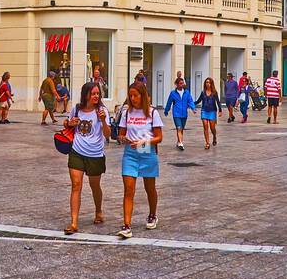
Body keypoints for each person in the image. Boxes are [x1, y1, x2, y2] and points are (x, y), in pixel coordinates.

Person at [116, 82, 164, 238]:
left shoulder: (152, 112)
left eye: (135, 95)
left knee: (149, 188)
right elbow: (121, 134)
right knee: (128, 190)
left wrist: (144, 142)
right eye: (130, 95)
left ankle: (152, 214)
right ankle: (127, 225)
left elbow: (159, 137)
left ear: (143, 95)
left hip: (147, 151)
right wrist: (123, 138)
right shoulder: (127, 113)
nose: (133, 98)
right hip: (130, 153)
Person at [64, 81, 108, 235]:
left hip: (95, 154)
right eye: (93, 93)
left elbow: (108, 135)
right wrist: (70, 123)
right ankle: (74, 222)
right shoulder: (76, 109)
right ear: (86, 95)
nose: (96, 96)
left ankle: (98, 211)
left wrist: (103, 120)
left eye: (98, 94)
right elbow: (67, 124)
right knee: (76, 185)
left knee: (94, 186)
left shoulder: (102, 111)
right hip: (76, 151)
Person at [162, 77, 194, 151]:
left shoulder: (187, 92)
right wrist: (166, 110)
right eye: (180, 83)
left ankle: (178, 141)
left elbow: (190, 101)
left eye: (182, 83)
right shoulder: (173, 93)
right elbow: (169, 102)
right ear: (176, 84)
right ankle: (181, 143)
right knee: (179, 128)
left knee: (181, 129)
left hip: (184, 114)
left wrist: (193, 108)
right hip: (176, 113)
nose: (182, 85)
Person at [195, 77, 221, 149]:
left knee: (212, 128)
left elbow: (218, 102)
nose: (208, 84)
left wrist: (220, 110)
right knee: (205, 126)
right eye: (206, 82)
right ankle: (207, 143)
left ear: (211, 84)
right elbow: (198, 101)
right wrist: (191, 104)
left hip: (212, 111)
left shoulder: (214, 92)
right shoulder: (203, 92)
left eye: (209, 82)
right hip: (204, 111)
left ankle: (214, 136)